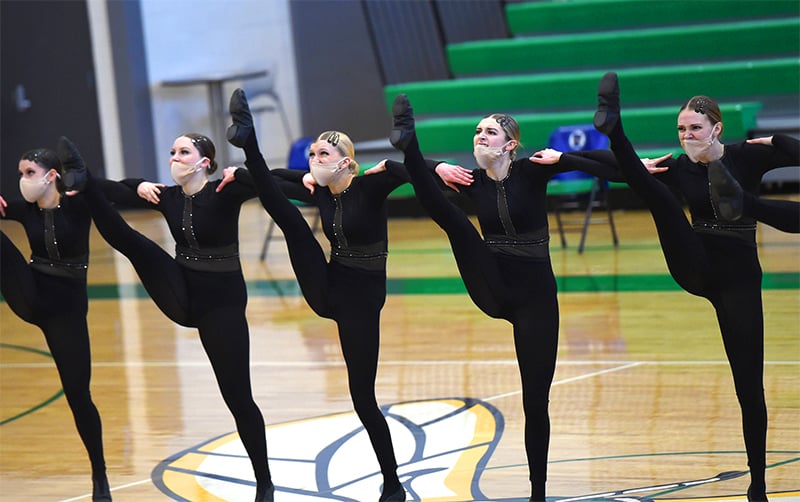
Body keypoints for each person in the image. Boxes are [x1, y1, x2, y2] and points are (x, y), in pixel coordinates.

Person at [386, 93, 641, 502]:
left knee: (535, 398)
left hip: (536, 295)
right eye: (477, 131)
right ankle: (409, 137)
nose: (480, 137)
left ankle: (537, 492)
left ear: (509, 144)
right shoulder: (468, 182)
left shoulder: (530, 171)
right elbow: (405, 176)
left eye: (490, 132)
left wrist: (584, 161)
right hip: (494, 284)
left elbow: (606, 169)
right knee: (455, 222)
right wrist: (434, 165)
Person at [590, 71, 799, 502]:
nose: (687, 135)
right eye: (682, 129)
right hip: (695, 262)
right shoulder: (678, 166)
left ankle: (757, 483)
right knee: (660, 195)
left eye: (695, 128)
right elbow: (614, 172)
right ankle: (616, 128)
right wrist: (612, 159)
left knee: (749, 384)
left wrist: (777, 142)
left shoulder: (746, 157)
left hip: (739, 273)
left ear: (716, 128)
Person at [223, 88, 407, 502]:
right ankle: (247, 138)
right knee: (290, 220)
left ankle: (393, 482)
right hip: (328, 287)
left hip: (362, 298)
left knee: (363, 399)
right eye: (311, 155)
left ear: (346, 161)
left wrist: (441, 167)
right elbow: (274, 180)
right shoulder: (319, 190)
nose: (314, 160)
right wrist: (241, 173)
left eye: (323, 154)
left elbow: (403, 172)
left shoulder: (370, 187)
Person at [70, 134, 274, 502]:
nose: (175, 159)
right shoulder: (168, 196)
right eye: (172, 153)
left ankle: (265, 482)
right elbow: (118, 190)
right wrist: (135, 184)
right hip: (182, 293)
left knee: (238, 397)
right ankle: (80, 175)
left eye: (184, 153)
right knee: (134, 243)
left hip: (222, 304)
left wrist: (242, 172)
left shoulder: (225, 191)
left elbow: (267, 183)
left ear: (205, 162)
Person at [0, 141, 111, 501]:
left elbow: (110, 190)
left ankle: (100, 477)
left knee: (79, 395)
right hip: (32, 295)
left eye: (29, 173)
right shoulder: (25, 211)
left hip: (67, 310)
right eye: (20, 174)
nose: (22, 180)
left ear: (51, 177)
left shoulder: (78, 206)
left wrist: (140, 185)